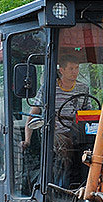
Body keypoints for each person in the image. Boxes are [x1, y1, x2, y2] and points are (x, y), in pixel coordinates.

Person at [21, 48, 90, 190]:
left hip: (76, 132)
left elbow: (88, 114)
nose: (75, 72)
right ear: (61, 70)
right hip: (53, 132)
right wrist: (27, 140)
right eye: (71, 68)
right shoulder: (48, 89)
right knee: (64, 147)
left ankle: (90, 183)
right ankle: (61, 187)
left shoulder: (83, 88)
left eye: (77, 68)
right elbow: (33, 113)